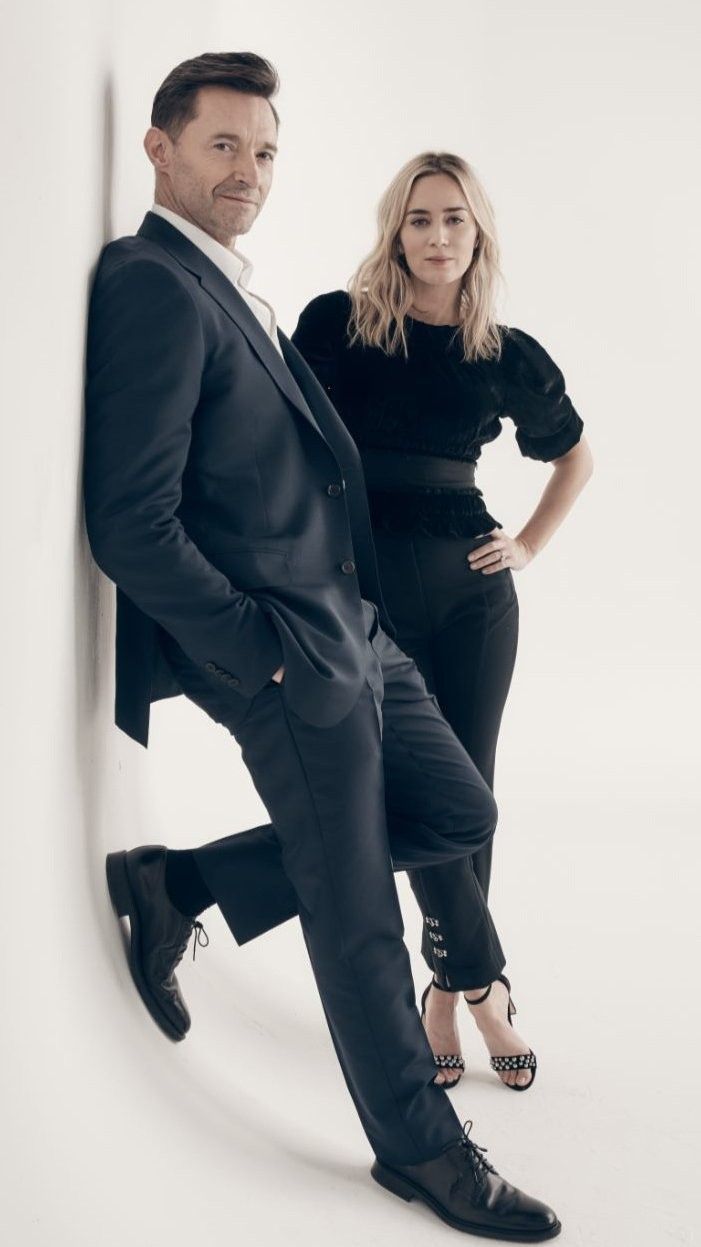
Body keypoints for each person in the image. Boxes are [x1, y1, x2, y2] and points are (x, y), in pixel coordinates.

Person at [83, 52, 561, 1241]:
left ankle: (182, 880)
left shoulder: (227, 283)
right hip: (292, 649)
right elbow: (128, 521)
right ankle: (422, 1150)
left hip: (358, 629)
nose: (247, 171)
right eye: (221, 145)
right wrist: (260, 652)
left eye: (263, 150)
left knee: (459, 812)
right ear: (159, 148)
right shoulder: (151, 281)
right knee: (355, 905)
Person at [291, 152, 593, 1090]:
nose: (436, 236)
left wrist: (529, 546)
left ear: (478, 234)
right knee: (398, 788)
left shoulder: (505, 352)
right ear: (396, 230)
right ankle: (481, 980)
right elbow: (284, 438)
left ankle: (446, 991)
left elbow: (573, 458)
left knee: (469, 791)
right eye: (419, 219)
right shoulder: (337, 325)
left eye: (454, 219)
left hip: (470, 592)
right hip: (362, 587)